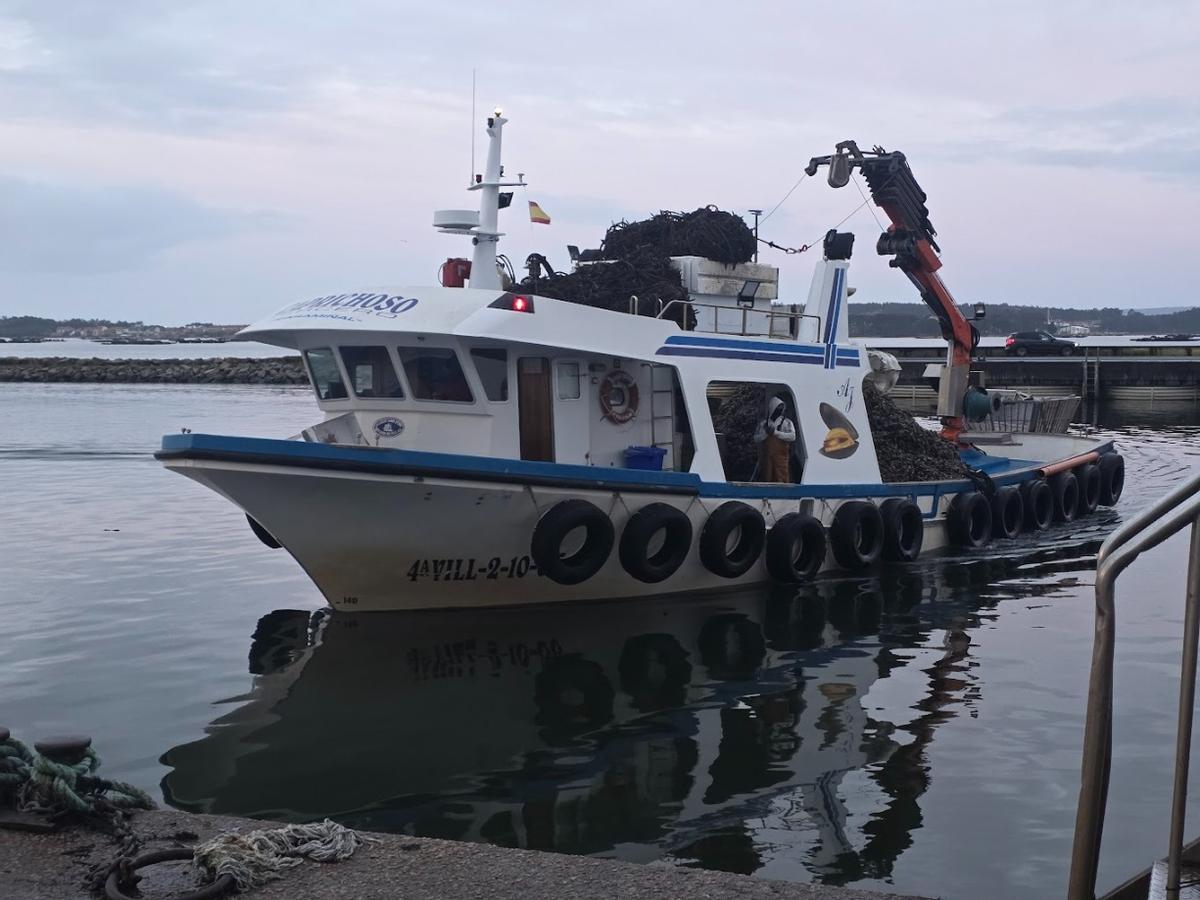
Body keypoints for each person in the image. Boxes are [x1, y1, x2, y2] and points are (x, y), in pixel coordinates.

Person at [754, 396, 797, 482]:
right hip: (767, 460)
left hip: (781, 460)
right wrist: (766, 434)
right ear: (772, 408)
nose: (779, 410)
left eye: (781, 408)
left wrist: (776, 433)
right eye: (777, 408)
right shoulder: (763, 424)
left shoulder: (787, 422)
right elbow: (756, 438)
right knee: (767, 479)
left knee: (782, 480)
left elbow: (792, 437)